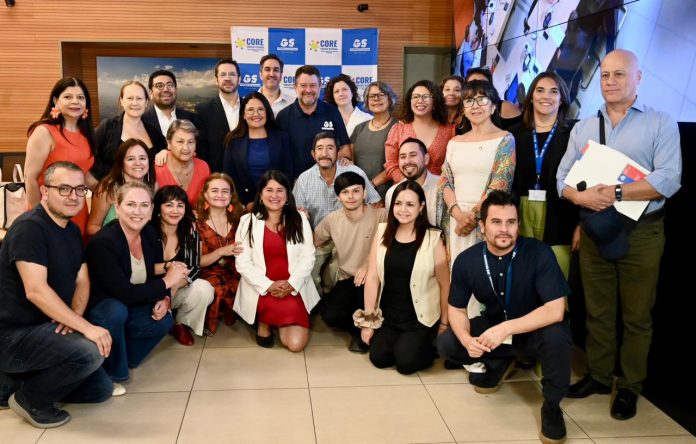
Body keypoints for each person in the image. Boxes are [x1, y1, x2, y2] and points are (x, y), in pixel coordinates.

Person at [557, 49, 682, 420]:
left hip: (641, 232)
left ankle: (629, 386)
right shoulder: (584, 127)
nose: (610, 81)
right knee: (597, 309)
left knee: (636, 314)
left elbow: (668, 179)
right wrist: (580, 197)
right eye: (605, 75)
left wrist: (613, 193)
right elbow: (563, 179)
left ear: (638, 78)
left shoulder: (660, 122)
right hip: (595, 230)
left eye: (619, 74)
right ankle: (598, 375)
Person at [437, 190, 572, 444]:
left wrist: (507, 328)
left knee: (558, 337)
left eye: (511, 222)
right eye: (496, 222)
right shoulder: (467, 261)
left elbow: (555, 310)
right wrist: (466, 339)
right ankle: (499, 361)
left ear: (518, 225)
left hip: (535, 330)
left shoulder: (539, 253)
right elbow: (456, 309)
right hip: (495, 326)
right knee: (447, 343)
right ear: (482, 226)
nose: (504, 229)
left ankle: (552, 405)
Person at [0, 161, 112, 428]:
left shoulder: (70, 229)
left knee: (100, 389)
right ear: (44, 191)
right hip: (13, 335)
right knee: (89, 353)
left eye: (79, 189)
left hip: (48, 328)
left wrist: (72, 318)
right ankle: (29, 399)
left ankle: (12, 384)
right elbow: (36, 291)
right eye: (64, 189)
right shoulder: (30, 228)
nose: (73, 196)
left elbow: (82, 279)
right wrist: (85, 328)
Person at [87, 181, 186, 396]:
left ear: (151, 210)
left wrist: (165, 299)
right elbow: (124, 293)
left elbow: (155, 274)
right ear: (117, 207)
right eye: (131, 204)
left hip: (132, 301)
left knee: (164, 319)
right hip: (104, 307)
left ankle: (122, 358)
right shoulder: (104, 242)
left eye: (144, 205)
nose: (137, 211)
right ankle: (113, 374)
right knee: (116, 310)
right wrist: (167, 283)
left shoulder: (149, 234)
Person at [357, 181, 450, 375]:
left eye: (410, 204)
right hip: (390, 314)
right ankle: (401, 343)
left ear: (421, 207)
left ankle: (426, 345)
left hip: (420, 316)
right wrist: (368, 322)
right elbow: (372, 277)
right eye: (398, 204)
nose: (403, 210)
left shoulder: (433, 238)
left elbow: (444, 284)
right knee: (379, 358)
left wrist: (444, 323)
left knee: (406, 363)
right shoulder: (382, 232)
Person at [234, 170, 319, 351]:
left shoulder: (299, 219)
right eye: (269, 190)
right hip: (261, 288)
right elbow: (242, 263)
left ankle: (278, 320)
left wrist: (291, 284)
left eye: (280, 190)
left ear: (287, 195)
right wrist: (269, 285)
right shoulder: (247, 222)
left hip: (293, 287)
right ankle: (264, 322)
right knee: (287, 337)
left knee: (296, 345)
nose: (274, 195)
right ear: (261, 195)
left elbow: (308, 256)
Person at [438, 80, 515, 271]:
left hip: (486, 220)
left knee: (482, 276)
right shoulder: (455, 142)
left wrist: (471, 218)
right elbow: (444, 181)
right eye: (469, 100)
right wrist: (458, 214)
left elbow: (500, 184)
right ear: (463, 109)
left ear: (494, 106)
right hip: (456, 219)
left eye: (482, 99)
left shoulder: (505, 139)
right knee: (456, 275)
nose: (475, 105)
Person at [510, 72, 579, 277]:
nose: (546, 96)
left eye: (553, 91)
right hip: (521, 211)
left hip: (560, 213)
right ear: (531, 97)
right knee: (525, 275)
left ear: (562, 99)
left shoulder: (574, 132)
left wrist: (581, 224)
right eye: (540, 90)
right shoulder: (514, 134)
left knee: (556, 277)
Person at [314, 172, 386, 352]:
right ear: (338, 197)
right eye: (345, 192)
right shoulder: (332, 220)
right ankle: (361, 327)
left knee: (370, 301)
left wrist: (369, 266)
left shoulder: (381, 215)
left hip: (377, 278)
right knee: (330, 316)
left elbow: (392, 246)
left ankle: (361, 333)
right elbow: (315, 240)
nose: (351, 196)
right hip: (348, 279)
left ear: (364, 193)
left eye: (356, 191)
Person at [25, 77, 97, 235]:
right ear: (55, 100)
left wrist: (106, 190)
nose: (75, 101)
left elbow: (84, 173)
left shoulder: (86, 134)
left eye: (80, 97)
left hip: (77, 209)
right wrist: (39, 220)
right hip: (49, 213)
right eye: (68, 97)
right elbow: (30, 178)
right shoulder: (44, 131)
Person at [152, 186, 214, 345]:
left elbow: (194, 267)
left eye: (180, 205)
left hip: (175, 288)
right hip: (149, 289)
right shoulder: (147, 230)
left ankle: (179, 323)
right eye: (169, 205)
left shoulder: (189, 229)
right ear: (158, 207)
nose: (175, 210)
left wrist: (173, 288)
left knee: (204, 289)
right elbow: (141, 269)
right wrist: (167, 272)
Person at [293, 131, 380, 229]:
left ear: (338, 153)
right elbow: (296, 214)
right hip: (317, 236)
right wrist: (302, 216)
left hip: (352, 233)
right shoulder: (303, 180)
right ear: (313, 154)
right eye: (319, 148)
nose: (324, 153)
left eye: (330, 148)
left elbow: (376, 205)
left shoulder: (356, 173)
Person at [276, 65, 351, 177]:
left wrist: (342, 159)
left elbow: (345, 148)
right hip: (294, 182)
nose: (308, 90)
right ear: (295, 87)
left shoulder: (332, 112)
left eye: (313, 85)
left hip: (328, 180)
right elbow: (278, 155)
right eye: (303, 85)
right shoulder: (283, 117)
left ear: (320, 87)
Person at [222, 91, 292, 208]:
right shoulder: (233, 141)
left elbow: (287, 172)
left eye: (260, 109)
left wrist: (274, 199)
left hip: (275, 203)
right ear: (243, 115)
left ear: (267, 112)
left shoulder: (281, 138)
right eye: (250, 110)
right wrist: (244, 203)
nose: (256, 114)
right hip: (244, 206)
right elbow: (229, 176)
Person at [195, 173, 244, 335]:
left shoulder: (240, 219)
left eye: (225, 191)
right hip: (207, 270)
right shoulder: (196, 223)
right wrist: (221, 251)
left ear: (231, 195)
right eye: (214, 190)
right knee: (217, 285)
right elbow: (198, 262)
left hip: (236, 268)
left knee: (245, 281)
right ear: (205, 194)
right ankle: (208, 322)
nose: (220, 195)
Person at [91, 80, 167, 181]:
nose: (135, 103)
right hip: (114, 187)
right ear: (122, 101)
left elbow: (167, 148)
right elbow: (90, 155)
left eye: (139, 98)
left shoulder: (153, 130)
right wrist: (110, 180)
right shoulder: (107, 126)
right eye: (130, 98)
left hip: (148, 188)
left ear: (146, 102)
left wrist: (165, 151)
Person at [384, 80, 455, 182]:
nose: (420, 100)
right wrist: (410, 184)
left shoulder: (450, 131)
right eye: (415, 97)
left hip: (440, 188)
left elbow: (454, 166)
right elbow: (391, 164)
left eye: (426, 97)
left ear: (435, 102)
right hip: (406, 188)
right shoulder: (398, 130)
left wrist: (438, 185)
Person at [86, 138, 156, 236]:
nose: (138, 163)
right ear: (121, 163)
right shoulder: (108, 188)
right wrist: (117, 240)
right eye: (131, 159)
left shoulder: (153, 186)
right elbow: (92, 226)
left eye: (142, 158)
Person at [351, 81, 399, 198]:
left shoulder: (399, 127)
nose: (376, 99)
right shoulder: (359, 128)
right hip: (359, 193)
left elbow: (399, 163)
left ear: (390, 99)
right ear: (367, 101)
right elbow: (351, 161)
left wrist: (371, 184)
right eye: (372, 96)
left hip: (388, 194)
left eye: (381, 95)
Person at [195, 58, 241, 172]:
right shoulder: (203, 111)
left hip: (247, 178)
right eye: (223, 74)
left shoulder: (250, 108)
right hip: (216, 176)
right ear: (216, 80)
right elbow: (201, 150)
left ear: (239, 79)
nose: (228, 78)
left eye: (232, 74)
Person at [384, 138, 440, 225]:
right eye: (403, 157)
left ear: (426, 159)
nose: (407, 161)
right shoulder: (392, 193)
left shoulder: (442, 186)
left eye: (413, 155)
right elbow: (393, 226)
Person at [155, 119, 211, 206]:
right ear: (169, 143)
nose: (186, 148)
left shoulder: (203, 167)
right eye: (180, 142)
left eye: (190, 142)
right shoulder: (157, 168)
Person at [142, 69, 197, 138]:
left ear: (176, 90)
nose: (165, 89)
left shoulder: (192, 119)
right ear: (151, 93)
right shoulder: (142, 121)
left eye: (170, 85)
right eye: (159, 86)